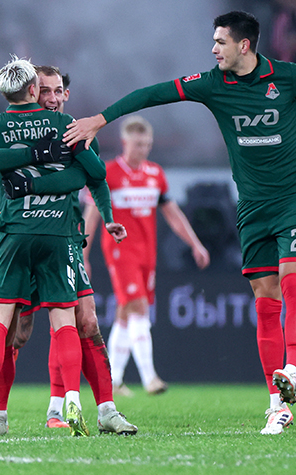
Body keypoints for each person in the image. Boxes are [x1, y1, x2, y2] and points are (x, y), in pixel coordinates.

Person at [64, 10, 296, 435]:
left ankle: (292, 369)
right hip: (251, 207)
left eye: (220, 42)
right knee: (265, 300)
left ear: (244, 45)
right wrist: (101, 119)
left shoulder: (289, 77)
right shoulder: (212, 84)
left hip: (294, 199)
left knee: (294, 280)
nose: (213, 49)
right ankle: (277, 406)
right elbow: (153, 94)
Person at [0, 65, 136, 436]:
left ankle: (105, 410)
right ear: (32, 91)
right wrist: (2, 207)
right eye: (46, 90)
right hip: (20, 232)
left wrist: (107, 217)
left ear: (66, 94)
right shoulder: (14, 129)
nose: (53, 98)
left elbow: (97, 179)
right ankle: (0, 414)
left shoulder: (73, 130)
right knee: (18, 332)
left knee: (86, 320)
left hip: (64, 237)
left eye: (59, 91)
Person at [83, 115, 210, 397]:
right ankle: (150, 377)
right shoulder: (108, 173)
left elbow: (172, 214)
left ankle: (113, 380)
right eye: (138, 144)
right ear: (124, 142)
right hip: (120, 250)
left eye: (147, 144)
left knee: (125, 312)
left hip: (146, 253)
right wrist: (84, 255)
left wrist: (195, 244)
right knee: (139, 307)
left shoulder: (155, 174)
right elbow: (91, 216)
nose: (143, 149)